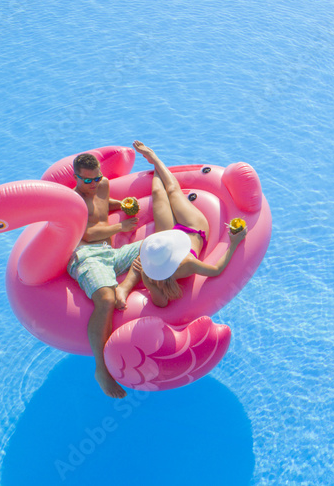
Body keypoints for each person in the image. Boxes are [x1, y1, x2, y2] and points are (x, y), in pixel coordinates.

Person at [131, 140, 247, 307]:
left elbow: (216, 271)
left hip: (192, 228)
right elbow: (161, 303)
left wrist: (233, 243)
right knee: (158, 193)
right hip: (174, 235)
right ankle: (155, 163)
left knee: (171, 191)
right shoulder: (155, 265)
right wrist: (147, 280)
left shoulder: (187, 262)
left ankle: (154, 158)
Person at [66, 153, 141, 398]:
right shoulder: (72, 200)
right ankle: (101, 370)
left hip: (109, 253)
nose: (94, 184)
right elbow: (86, 234)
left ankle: (126, 287)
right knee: (106, 300)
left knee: (155, 246)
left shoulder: (103, 184)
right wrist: (121, 226)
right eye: (88, 180)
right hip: (85, 254)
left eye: (97, 177)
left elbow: (101, 203)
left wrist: (122, 205)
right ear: (76, 177)